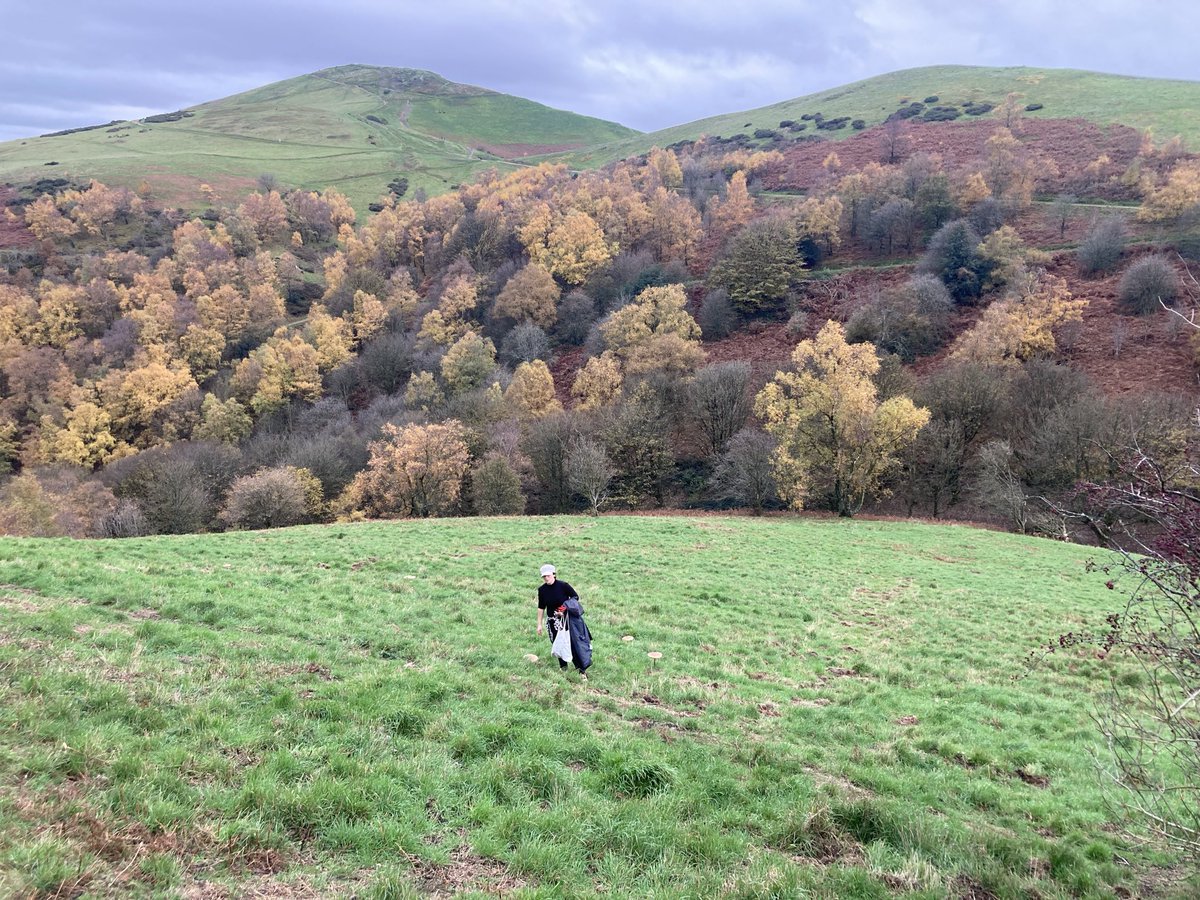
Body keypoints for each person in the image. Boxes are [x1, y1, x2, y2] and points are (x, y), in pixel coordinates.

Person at [536, 564, 591, 680]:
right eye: (544, 576)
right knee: (558, 644)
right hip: (552, 622)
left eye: (548, 575)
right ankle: (563, 668)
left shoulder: (563, 586)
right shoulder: (542, 590)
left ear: (554, 574)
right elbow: (541, 607)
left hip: (567, 621)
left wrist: (563, 608)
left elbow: (575, 597)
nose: (546, 578)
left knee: (573, 643)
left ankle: (582, 671)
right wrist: (539, 624)